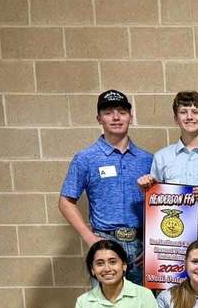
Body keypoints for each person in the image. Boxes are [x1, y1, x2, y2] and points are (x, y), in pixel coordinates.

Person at [59, 90, 153, 284]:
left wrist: (152, 246)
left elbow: (158, 204)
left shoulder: (148, 159)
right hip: (105, 245)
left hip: (141, 249)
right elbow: (65, 202)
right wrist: (90, 238)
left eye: (122, 112)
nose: (116, 117)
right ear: (99, 118)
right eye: (109, 112)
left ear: (130, 117)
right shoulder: (86, 158)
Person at [139, 91, 198, 237]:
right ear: (176, 119)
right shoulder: (161, 157)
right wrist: (145, 188)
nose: (189, 117)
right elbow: (153, 203)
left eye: (195, 112)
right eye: (183, 112)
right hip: (172, 233)